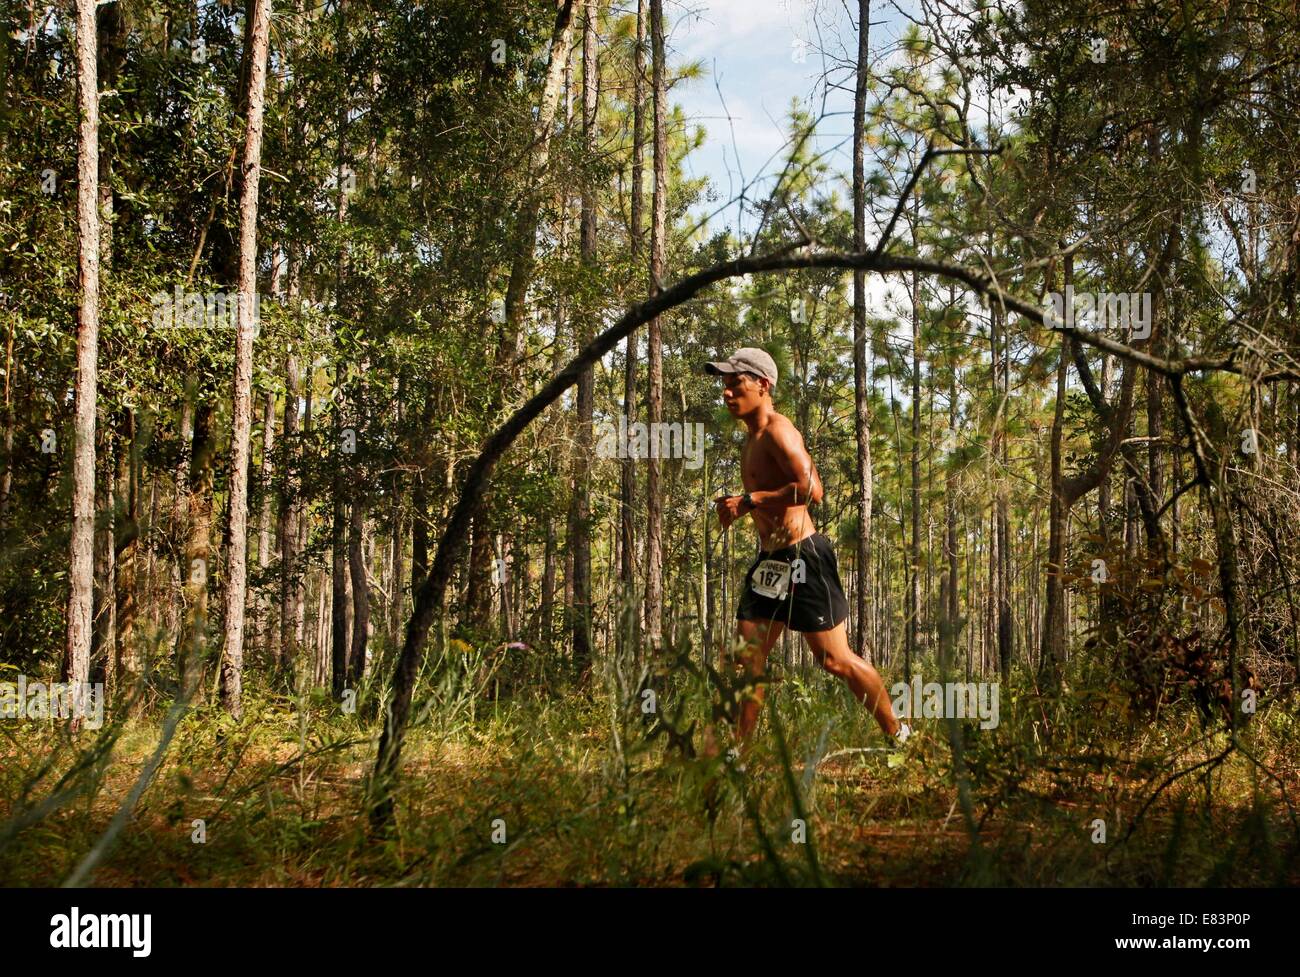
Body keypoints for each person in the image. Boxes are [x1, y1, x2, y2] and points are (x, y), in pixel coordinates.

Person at [704, 347, 910, 753]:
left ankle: (898, 736)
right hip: (771, 562)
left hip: (803, 557)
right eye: (724, 386)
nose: (727, 394)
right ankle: (737, 755)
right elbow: (774, 494)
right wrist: (742, 504)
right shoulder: (752, 438)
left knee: (835, 660)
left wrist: (748, 501)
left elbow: (811, 490)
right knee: (747, 659)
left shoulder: (780, 431)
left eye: (735, 384)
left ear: (763, 385)